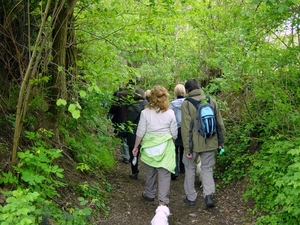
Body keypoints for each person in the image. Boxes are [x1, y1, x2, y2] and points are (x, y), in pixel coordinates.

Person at [181, 79, 225, 208]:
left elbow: (186, 128)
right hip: (210, 142)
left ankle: (191, 197)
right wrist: (220, 143)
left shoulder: (187, 104)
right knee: (207, 168)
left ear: (187, 90)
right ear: (199, 87)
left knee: (189, 168)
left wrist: (187, 149)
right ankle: (208, 196)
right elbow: (219, 124)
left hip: (193, 144)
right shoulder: (211, 101)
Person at [132, 85, 178, 207]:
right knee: (164, 174)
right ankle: (163, 201)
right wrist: (171, 142)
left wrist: (136, 146)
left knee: (150, 170)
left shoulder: (145, 113)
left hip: (149, 147)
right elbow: (174, 133)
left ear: (151, 97)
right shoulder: (170, 113)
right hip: (165, 147)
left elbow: (140, 132)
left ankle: (149, 193)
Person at [122, 88, 148, 179]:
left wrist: (123, 133)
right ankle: (150, 173)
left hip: (133, 133)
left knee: (133, 152)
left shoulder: (131, 108)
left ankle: (134, 171)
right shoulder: (148, 107)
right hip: (146, 133)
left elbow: (127, 122)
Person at [109, 81, 135, 164]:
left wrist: (111, 113)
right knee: (132, 137)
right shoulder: (136, 96)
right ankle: (132, 155)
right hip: (133, 120)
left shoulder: (120, 94)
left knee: (123, 138)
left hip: (121, 119)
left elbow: (114, 107)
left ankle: (126, 157)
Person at [170, 84, 186, 180]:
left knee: (174, 149)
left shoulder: (172, 104)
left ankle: (175, 170)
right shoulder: (188, 103)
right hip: (185, 128)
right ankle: (183, 168)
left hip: (175, 128)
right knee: (184, 149)